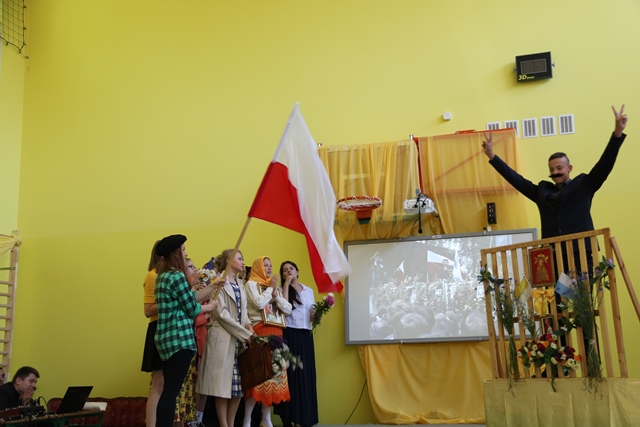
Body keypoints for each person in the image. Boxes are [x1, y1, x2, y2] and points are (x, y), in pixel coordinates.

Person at [482, 105, 628, 265]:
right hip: (551, 255)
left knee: (582, 283)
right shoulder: (542, 192)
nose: (555, 172)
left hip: (580, 253)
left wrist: (617, 133)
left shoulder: (583, 186)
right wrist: (492, 156)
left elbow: (605, 164)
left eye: (559, 168)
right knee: (555, 284)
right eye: (551, 169)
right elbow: (516, 180)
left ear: (569, 168)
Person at [154, 234, 220, 427]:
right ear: (175, 253)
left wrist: (212, 286)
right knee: (171, 392)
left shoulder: (162, 276)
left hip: (166, 340)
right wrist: (209, 307)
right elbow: (191, 308)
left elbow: (189, 298)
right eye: (183, 250)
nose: (186, 253)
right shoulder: (177, 276)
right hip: (179, 340)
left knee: (168, 390)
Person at [196, 249, 255, 427]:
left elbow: (244, 313)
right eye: (240, 258)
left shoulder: (241, 284)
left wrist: (249, 327)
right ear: (229, 260)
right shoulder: (218, 281)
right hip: (223, 338)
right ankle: (223, 424)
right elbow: (221, 314)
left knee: (238, 387)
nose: (243, 262)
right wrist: (245, 334)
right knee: (221, 385)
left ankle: (231, 422)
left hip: (239, 339)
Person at [243, 256, 293, 427]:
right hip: (260, 332)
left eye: (271, 265)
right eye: (265, 265)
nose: (269, 268)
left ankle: (266, 417)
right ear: (258, 267)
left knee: (273, 378)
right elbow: (258, 304)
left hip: (276, 332)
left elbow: (288, 309)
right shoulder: (251, 284)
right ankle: (247, 419)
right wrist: (270, 289)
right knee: (259, 377)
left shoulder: (273, 287)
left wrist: (276, 296)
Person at [273, 261, 318, 427]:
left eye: (291, 269)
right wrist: (286, 284)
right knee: (290, 377)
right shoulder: (280, 289)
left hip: (306, 335)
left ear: (297, 271)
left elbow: (311, 312)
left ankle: (305, 418)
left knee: (305, 376)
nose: (288, 271)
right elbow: (285, 309)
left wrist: (316, 315)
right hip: (290, 334)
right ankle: (287, 418)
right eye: (284, 270)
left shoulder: (308, 290)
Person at [141, 240, 163, 427]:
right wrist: (169, 300)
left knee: (166, 385)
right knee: (158, 383)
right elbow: (148, 310)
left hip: (169, 329)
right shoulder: (153, 276)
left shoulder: (167, 277)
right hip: (157, 328)